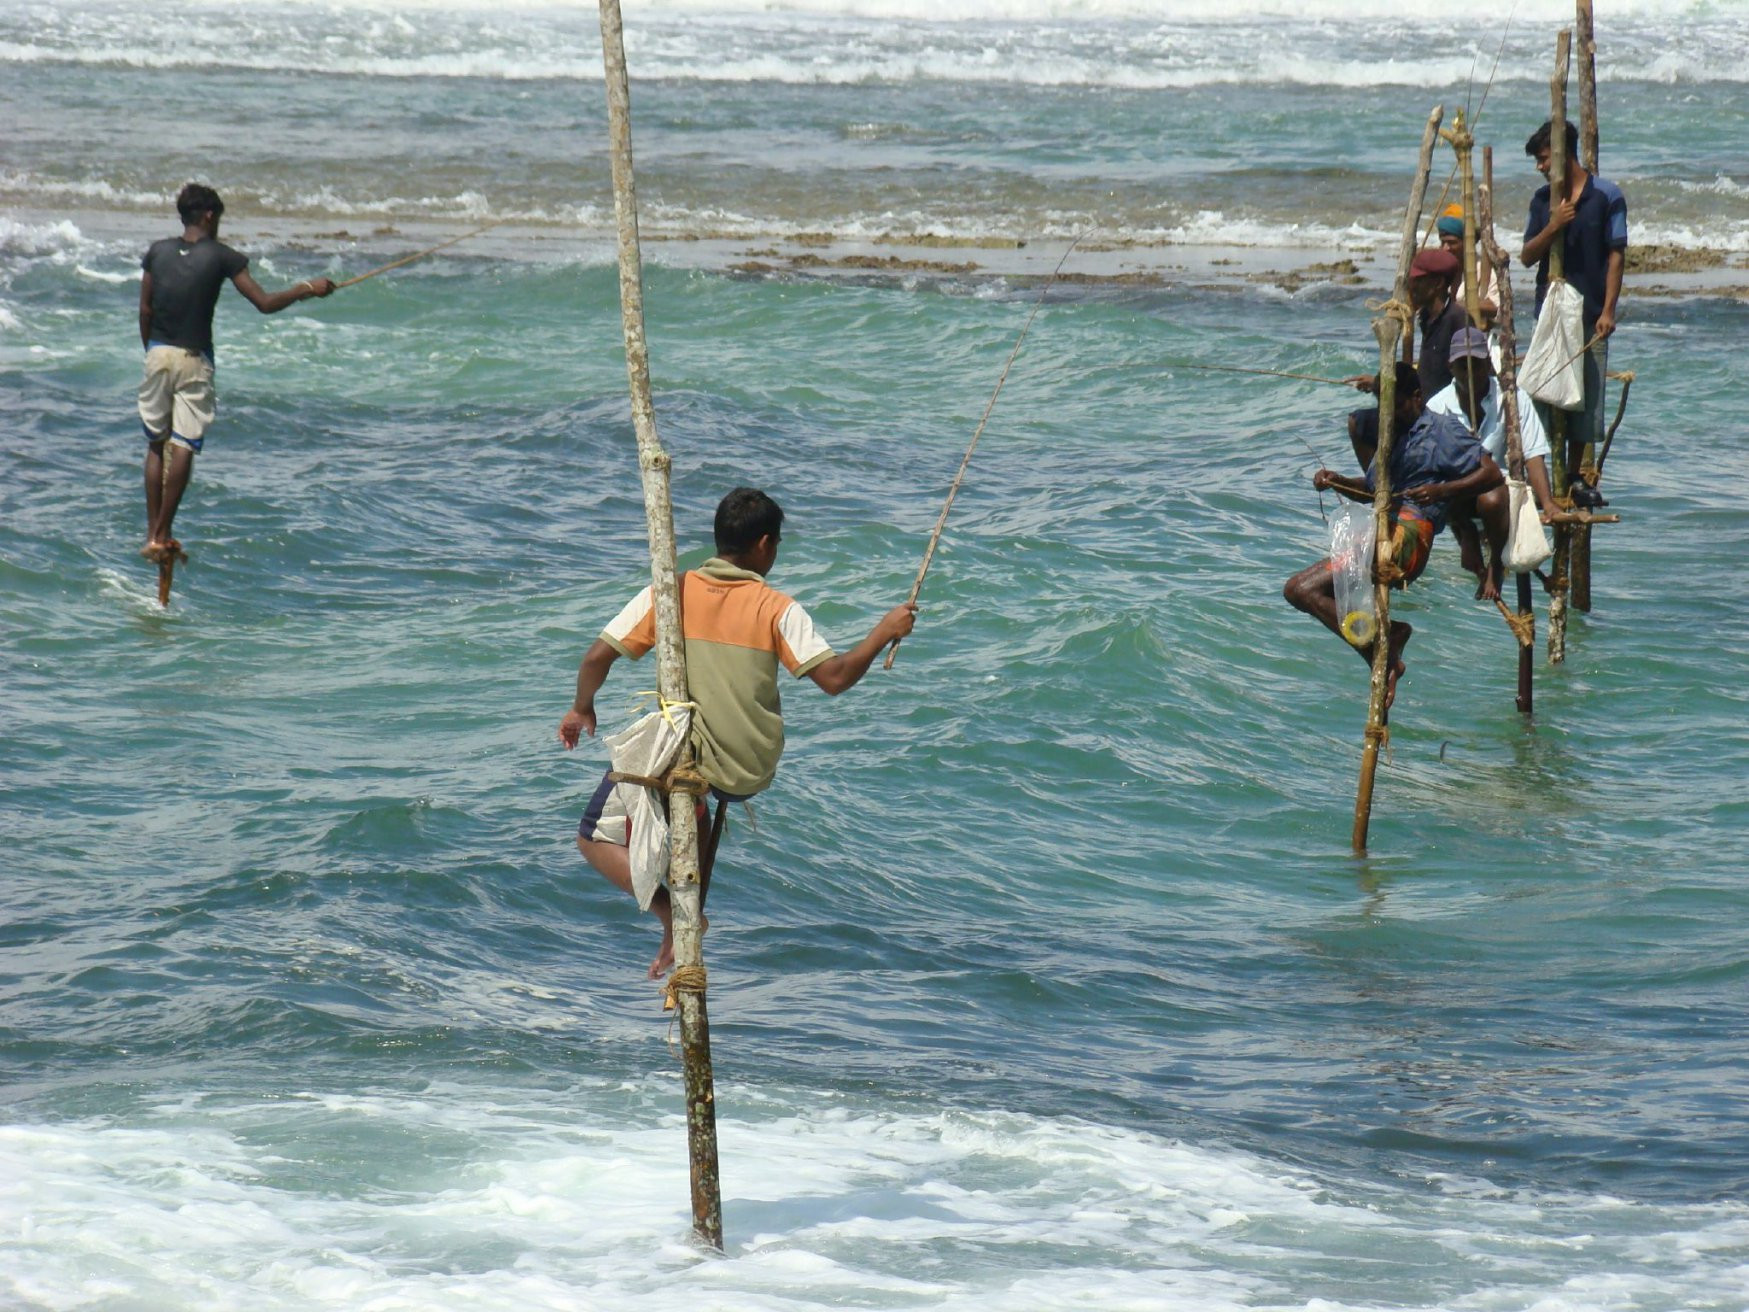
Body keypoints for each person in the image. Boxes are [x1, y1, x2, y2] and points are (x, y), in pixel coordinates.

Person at [558, 488, 917, 979]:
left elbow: (596, 657)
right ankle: (686, 914)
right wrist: (884, 630)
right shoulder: (777, 608)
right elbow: (834, 679)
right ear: (765, 544)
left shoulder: (670, 591)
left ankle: (673, 913)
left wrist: (582, 708)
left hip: (700, 756)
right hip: (749, 766)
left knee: (591, 836)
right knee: (695, 801)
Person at [1285, 363, 1503, 709]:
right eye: (1386, 406)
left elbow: (1491, 474)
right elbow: (1374, 492)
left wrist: (1441, 491)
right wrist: (1336, 481)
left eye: (1398, 405)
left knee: (1302, 589)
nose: (1392, 413)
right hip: (1381, 530)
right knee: (1298, 590)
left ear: (1417, 397)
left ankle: (1382, 649)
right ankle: (1386, 644)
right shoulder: (1391, 435)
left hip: (1410, 538)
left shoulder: (1441, 430)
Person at [137, 183, 335, 562]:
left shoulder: (157, 252)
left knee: (156, 445)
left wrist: (151, 350)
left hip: (157, 354)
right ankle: (164, 534)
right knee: (183, 446)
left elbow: (145, 310)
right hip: (193, 358)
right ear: (210, 215)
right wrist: (307, 288)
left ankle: (151, 535)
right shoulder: (222, 256)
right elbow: (264, 303)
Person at [1519, 118, 1628, 492]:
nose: (1540, 167)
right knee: (1541, 392)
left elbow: (1616, 255)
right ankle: (1541, 478)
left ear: (1563, 153)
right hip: (1550, 313)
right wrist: (1553, 226)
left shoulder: (1607, 196)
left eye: (1544, 158)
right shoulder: (1542, 201)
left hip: (1590, 312)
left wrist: (1609, 310)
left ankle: (1573, 474)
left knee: (1586, 396)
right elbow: (1527, 256)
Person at [1424, 327, 1555, 600]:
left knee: (1491, 500)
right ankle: (1466, 532)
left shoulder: (1512, 398)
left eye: (1477, 364)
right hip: (1456, 492)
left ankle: (1495, 563)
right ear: (1451, 367)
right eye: (1462, 366)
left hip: (1497, 488)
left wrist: (1548, 502)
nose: (1470, 373)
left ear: (1488, 364)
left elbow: (1533, 454)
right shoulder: (1438, 406)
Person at [1435, 203, 1499, 330]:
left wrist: (1456, 306)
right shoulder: (1439, 268)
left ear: (1468, 242)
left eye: (1452, 243)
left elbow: (1497, 308)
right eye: (1443, 242)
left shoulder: (1483, 269)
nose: (1446, 248)